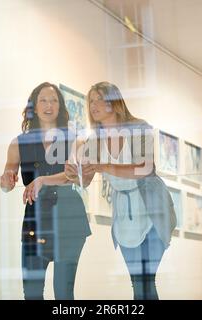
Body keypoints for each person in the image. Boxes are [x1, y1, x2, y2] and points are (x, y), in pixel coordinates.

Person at [65, 81, 176, 300]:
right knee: (138, 282)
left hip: (152, 210)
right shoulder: (93, 140)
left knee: (145, 279)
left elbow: (145, 169)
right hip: (124, 217)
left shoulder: (139, 127)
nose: (94, 105)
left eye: (99, 98)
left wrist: (102, 166)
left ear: (114, 102)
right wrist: (72, 173)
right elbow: (84, 179)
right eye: (91, 101)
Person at [0, 82, 91, 300]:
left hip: (68, 215)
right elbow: (6, 184)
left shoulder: (75, 139)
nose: (48, 105)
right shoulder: (19, 143)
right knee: (31, 293)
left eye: (53, 100)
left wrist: (43, 180)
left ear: (60, 106)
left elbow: (78, 176)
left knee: (63, 293)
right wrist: (6, 181)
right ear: (34, 105)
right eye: (43, 100)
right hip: (36, 218)